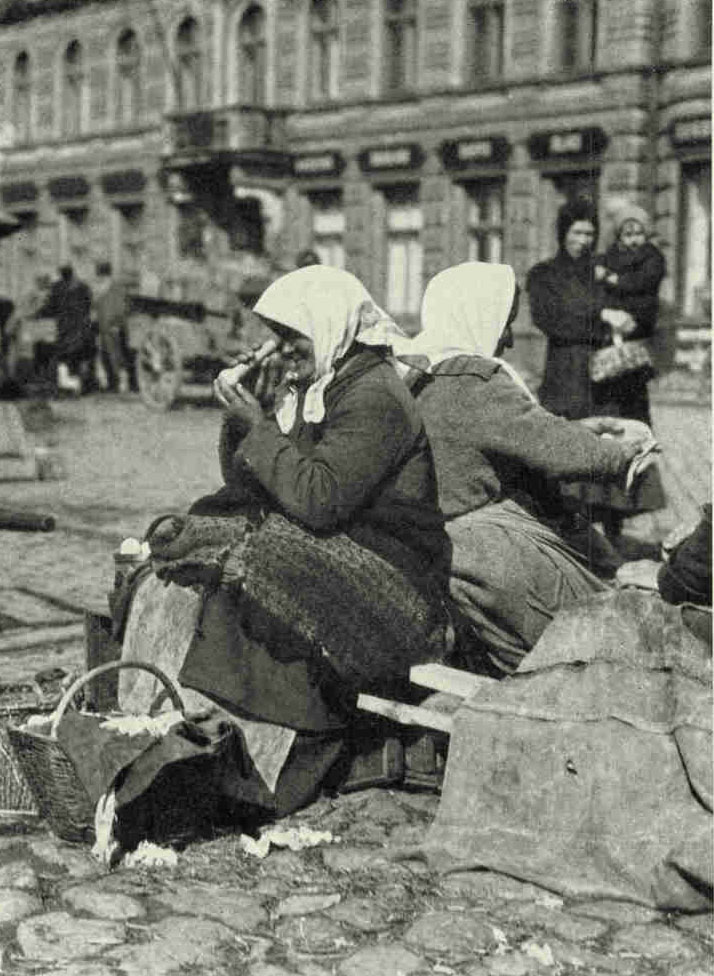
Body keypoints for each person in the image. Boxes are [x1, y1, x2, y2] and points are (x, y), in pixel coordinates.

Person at [120, 266, 450, 818]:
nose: (281, 348)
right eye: (275, 334)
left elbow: (319, 499)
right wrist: (242, 419)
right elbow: (246, 483)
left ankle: (292, 754)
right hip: (334, 545)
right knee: (193, 539)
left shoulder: (374, 396)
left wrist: (258, 425)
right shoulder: (314, 386)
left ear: (330, 328)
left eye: (292, 335)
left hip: (395, 574)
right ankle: (214, 737)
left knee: (252, 560)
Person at [391, 261, 655, 676]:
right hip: (489, 546)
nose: (510, 339)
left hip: (443, 542)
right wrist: (628, 452)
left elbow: (513, 434)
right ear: (477, 314)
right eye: (505, 323)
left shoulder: (422, 372)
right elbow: (559, 451)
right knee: (592, 641)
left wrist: (581, 429)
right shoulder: (474, 380)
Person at [527, 198, 664, 540]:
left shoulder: (602, 271)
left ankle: (612, 535)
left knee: (610, 446)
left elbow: (640, 304)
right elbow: (551, 320)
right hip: (566, 374)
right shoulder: (545, 274)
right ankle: (568, 532)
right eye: (577, 232)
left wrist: (630, 318)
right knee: (569, 448)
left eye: (590, 233)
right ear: (563, 233)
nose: (584, 240)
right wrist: (600, 316)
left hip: (606, 376)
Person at [593, 203, 666, 426]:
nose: (634, 239)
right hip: (611, 329)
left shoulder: (652, 256)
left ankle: (642, 432)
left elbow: (644, 281)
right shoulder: (609, 256)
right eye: (628, 234)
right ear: (619, 236)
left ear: (646, 234)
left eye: (638, 233)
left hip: (638, 324)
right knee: (610, 384)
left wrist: (613, 279)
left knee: (634, 385)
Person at [36, 264, 95, 394]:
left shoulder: (58, 287)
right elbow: (89, 304)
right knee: (80, 357)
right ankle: (82, 384)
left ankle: (69, 385)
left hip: (67, 328)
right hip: (83, 327)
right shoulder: (83, 286)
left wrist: (37, 315)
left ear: (62, 274)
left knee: (64, 357)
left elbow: (50, 307)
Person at [93, 262, 130, 393]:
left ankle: (122, 383)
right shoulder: (103, 287)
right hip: (104, 327)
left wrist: (117, 324)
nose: (98, 278)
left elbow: (120, 308)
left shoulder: (115, 288)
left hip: (113, 326)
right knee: (105, 355)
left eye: (99, 275)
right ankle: (111, 384)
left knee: (116, 355)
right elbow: (97, 305)